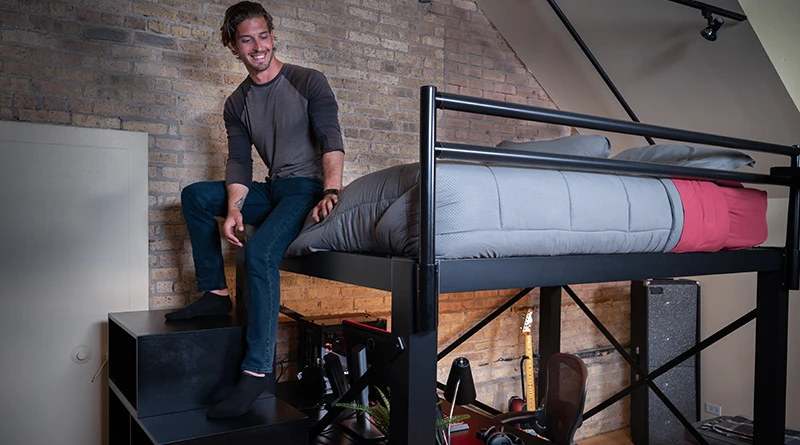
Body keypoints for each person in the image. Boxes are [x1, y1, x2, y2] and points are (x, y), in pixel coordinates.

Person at [164, 1, 344, 419]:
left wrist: (331, 190)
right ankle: (213, 292)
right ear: (233, 45)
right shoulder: (237, 103)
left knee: (260, 252)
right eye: (247, 39)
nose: (258, 46)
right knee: (194, 195)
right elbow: (240, 163)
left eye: (263, 36)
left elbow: (330, 139)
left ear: (273, 36)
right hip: (274, 188)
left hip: (306, 188)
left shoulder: (308, 81)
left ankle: (258, 369)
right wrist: (234, 210)